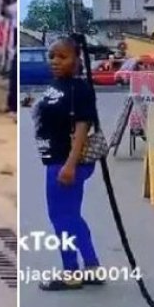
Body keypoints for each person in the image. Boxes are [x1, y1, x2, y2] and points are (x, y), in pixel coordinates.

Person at [31, 37, 101, 290]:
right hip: (56, 158)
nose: (56, 62)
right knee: (70, 216)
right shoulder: (58, 84)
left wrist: (70, 164)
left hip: (66, 161)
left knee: (61, 217)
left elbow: (83, 127)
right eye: (52, 57)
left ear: (76, 60)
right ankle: (92, 266)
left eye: (62, 57)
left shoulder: (79, 89)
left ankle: (71, 272)